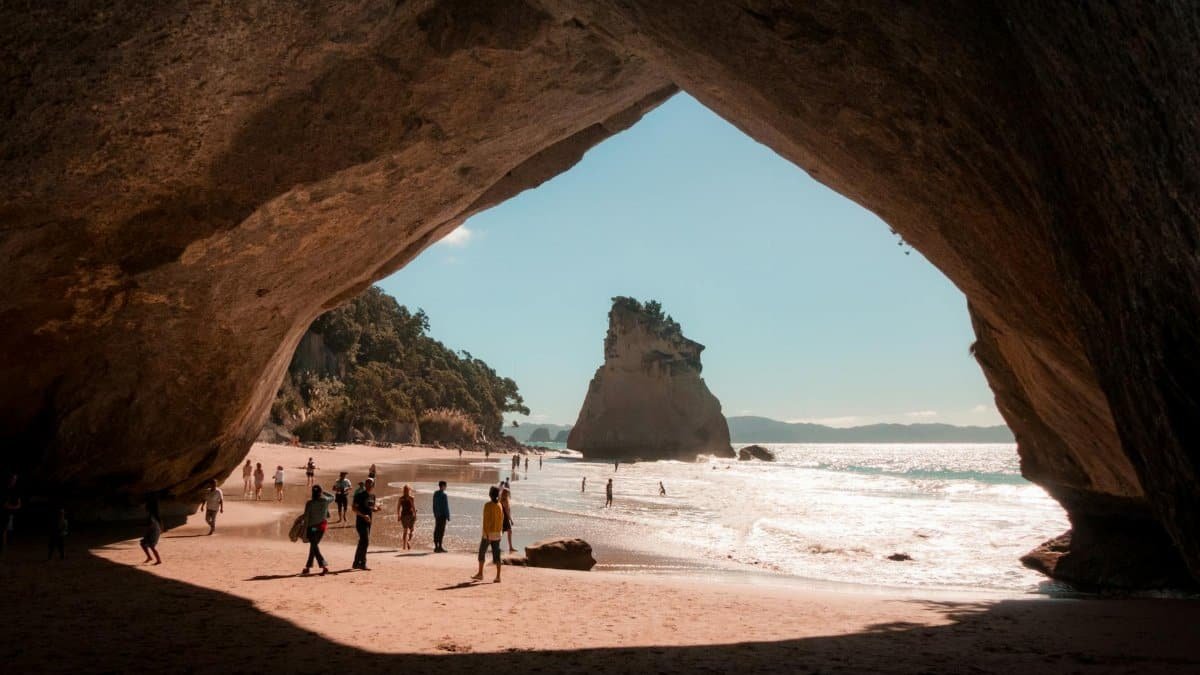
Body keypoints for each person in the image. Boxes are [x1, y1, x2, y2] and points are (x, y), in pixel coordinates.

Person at [472, 485, 503, 583]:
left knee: (482, 552)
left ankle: (480, 574)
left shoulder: (487, 505)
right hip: (497, 533)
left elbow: (486, 521)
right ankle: (498, 577)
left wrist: (487, 534)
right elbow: (501, 520)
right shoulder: (500, 505)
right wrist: (500, 533)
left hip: (488, 534)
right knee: (497, 555)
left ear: (490, 494)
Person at [302, 485, 334, 575]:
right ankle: (308, 567)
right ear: (320, 492)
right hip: (322, 527)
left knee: (314, 546)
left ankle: (324, 566)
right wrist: (324, 492)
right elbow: (333, 497)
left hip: (312, 528)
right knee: (314, 546)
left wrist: (303, 528)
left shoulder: (309, 503)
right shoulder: (325, 501)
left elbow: (306, 516)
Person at [352, 478, 380, 570]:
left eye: (370, 483)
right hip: (360, 522)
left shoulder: (373, 496)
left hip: (368, 522)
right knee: (365, 541)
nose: (368, 485)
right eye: (367, 483)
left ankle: (356, 563)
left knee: (362, 542)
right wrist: (363, 516)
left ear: (373, 485)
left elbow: (371, 508)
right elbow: (354, 509)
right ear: (365, 485)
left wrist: (376, 509)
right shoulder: (359, 495)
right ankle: (362, 563)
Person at [140, 495, 162, 565]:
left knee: (151, 545)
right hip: (154, 530)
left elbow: (150, 525)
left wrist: (145, 529)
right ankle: (149, 557)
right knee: (143, 543)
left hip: (154, 531)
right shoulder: (153, 514)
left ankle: (159, 560)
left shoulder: (151, 515)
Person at [2, 473, 20, 553]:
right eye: (13, 479)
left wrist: (14, 506)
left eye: (15, 480)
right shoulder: (5, 489)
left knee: (7, 530)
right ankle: (3, 547)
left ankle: (4, 546)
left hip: (10, 514)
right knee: (4, 530)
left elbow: (18, 503)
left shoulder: (15, 490)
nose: (14, 481)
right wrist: (13, 506)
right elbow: (5, 505)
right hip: (4, 513)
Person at [432, 480, 450, 553]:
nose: (446, 487)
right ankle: (440, 547)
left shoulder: (435, 494)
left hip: (437, 515)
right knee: (441, 531)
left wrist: (435, 514)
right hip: (442, 515)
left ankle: (436, 547)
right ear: (442, 486)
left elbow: (434, 505)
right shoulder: (444, 495)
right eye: (445, 486)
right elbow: (445, 506)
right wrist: (448, 516)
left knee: (436, 530)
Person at [397, 484, 417, 551]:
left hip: (404, 515)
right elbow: (413, 507)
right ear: (409, 490)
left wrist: (398, 515)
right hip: (410, 515)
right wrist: (415, 515)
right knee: (411, 530)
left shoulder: (401, 498)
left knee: (405, 531)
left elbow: (398, 507)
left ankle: (404, 546)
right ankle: (408, 541)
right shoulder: (411, 498)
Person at [499, 480, 516, 553]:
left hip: (501, 517)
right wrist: (511, 520)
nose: (509, 494)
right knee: (509, 531)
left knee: (502, 532)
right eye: (508, 493)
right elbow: (507, 511)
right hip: (505, 518)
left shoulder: (500, 500)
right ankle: (510, 547)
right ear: (506, 494)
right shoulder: (505, 500)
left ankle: (495, 545)